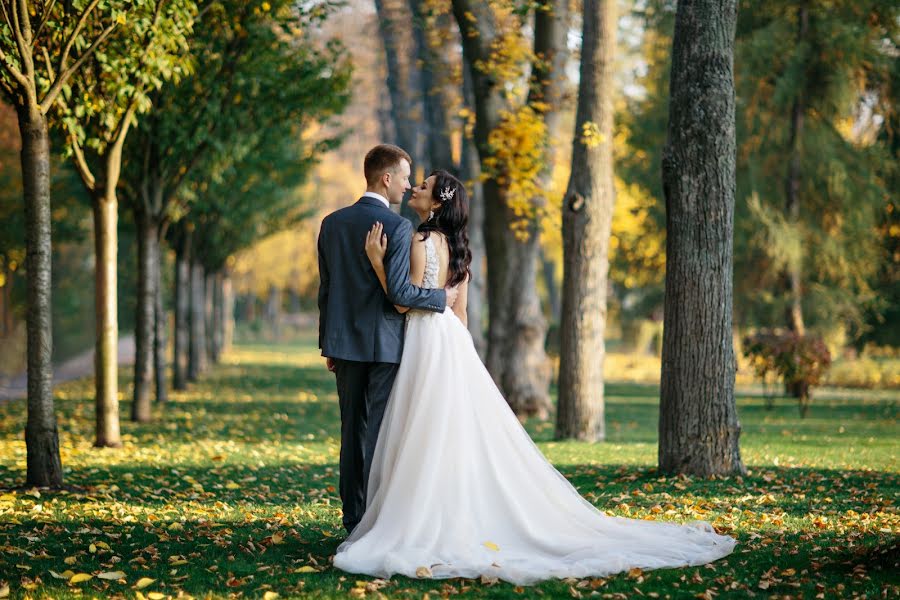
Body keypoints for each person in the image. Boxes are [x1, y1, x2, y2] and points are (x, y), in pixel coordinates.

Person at [332, 170, 736, 585]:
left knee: (421, 432)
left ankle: (422, 516)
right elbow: (462, 315)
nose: (414, 188)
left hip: (424, 340)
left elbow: (402, 304)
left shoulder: (419, 240)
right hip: (452, 344)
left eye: (423, 187)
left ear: (436, 203)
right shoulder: (458, 250)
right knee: (449, 431)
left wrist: (380, 264)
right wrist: (463, 358)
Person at [317, 145, 459, 534]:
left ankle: (353, 521)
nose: (408, 184)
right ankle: (375, 523)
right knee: (379, 433)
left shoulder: (331, 223)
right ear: (386, 178)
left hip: (344, 345)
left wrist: (328, 343)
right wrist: (440, 299)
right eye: (404, 177)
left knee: (351, 433)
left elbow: (326, 291)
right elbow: (399, 294)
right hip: (385, 345)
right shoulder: (397, 227)